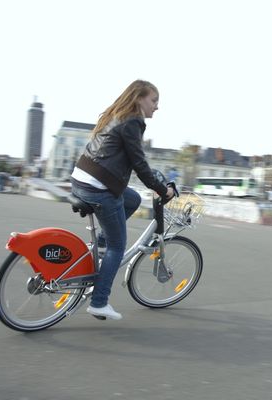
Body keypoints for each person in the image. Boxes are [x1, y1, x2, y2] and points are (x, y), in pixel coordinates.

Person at [70, 80, 175, 321]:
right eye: (154, 100)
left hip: (82, 180)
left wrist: (153, 183)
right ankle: (99, 301)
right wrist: (162, 190)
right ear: (139, 98)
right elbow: (139, 163)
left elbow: (131, 160)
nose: (156, 107)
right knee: (119, 246)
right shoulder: (133, 121)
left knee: (133, 198)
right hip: (98, 188)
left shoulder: (117, 115)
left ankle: (102, 244)